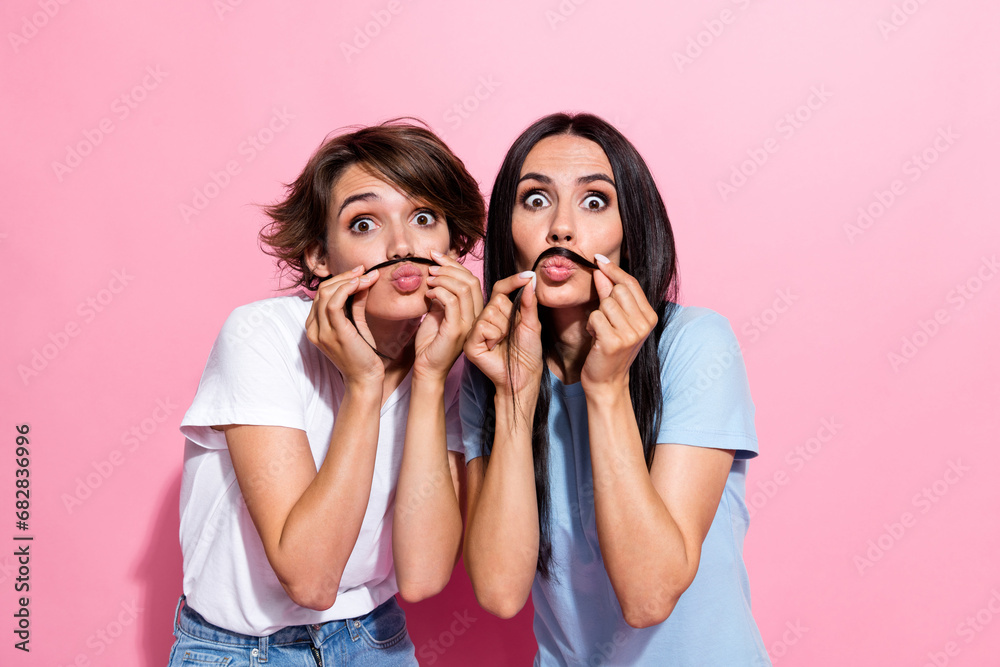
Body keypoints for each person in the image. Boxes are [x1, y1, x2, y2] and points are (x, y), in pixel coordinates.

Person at [169, 121, 485, 665]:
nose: (403, 245)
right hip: (240, 653)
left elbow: (425, 576)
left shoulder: (453, 362)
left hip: (376, 641)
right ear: (320, 258)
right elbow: (310, 580)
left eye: (424, 218)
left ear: (453, 244)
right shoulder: (261, 335)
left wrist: (431, 380)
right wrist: (363, 386)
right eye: (364, 223)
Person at [460, 113, 771, 665]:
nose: (561, 228)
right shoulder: (490, 367)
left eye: (594, 202)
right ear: (507, 230)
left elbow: (649, 595)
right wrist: (513, 395)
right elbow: (500, 592)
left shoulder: (695, 343)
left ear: (632, 228)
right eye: (535, 200)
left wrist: (605, 390)